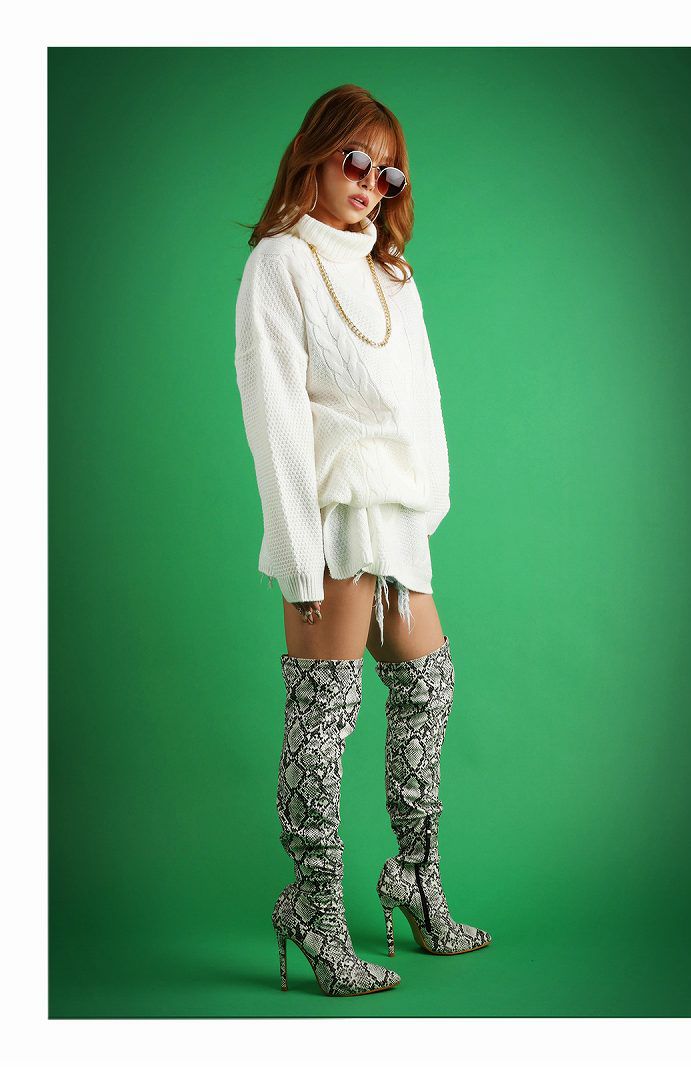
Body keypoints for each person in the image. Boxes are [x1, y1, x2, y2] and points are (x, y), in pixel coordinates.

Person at [233, 83, 491, 998]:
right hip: (334, 515)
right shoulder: (280, 263)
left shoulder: (393, 275)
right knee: (325, 713)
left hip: (395, 515)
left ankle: (414, 877)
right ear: (317, 152)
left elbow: (425, 398)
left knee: (428, 684)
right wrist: (297, 552)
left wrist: (427, 506)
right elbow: (275, 416)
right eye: (356, 161)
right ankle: (314, 907)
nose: (372, 184)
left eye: (390, 174)